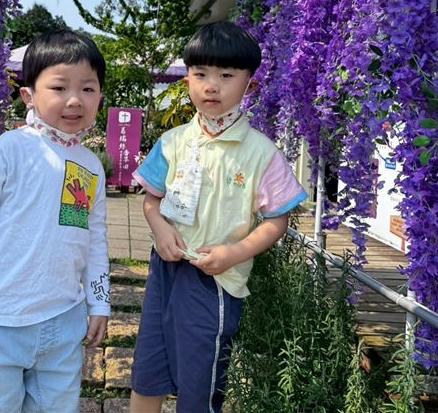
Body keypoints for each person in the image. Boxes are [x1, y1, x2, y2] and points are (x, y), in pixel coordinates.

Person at [129, 21, 307, 413]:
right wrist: (160, 229)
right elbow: (151, 200)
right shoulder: (173, 142)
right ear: (187, 81)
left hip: (215, 280)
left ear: (250, 86)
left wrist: (235, 253)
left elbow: (277, 221)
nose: (211, 86)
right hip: (165, 269)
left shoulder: (261, 153)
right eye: (201, 74)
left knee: (200, 384)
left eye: (226, 76)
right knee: (148, 370)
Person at [0, 30, 111, 413]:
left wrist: (99, 302)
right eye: (59, 87)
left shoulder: (91, 166)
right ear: (28, 95)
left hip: (64, 320)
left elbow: (95, 239)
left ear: (100, 96)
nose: (74, 100)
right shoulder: (10, 149)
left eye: (88, 89)